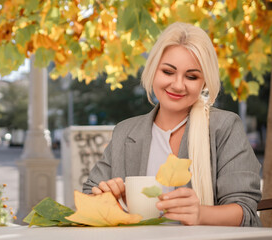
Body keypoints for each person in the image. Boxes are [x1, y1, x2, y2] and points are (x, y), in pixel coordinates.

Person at [82, 22, 262, 227]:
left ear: (204, 82)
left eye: (191, 76)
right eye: (168, 72)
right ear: (153, 71)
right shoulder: (125, 131)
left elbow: (245, 210)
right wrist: (106, 200)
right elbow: (89, 195)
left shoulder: (225, 127)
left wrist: (201, 214)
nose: (177, 85)